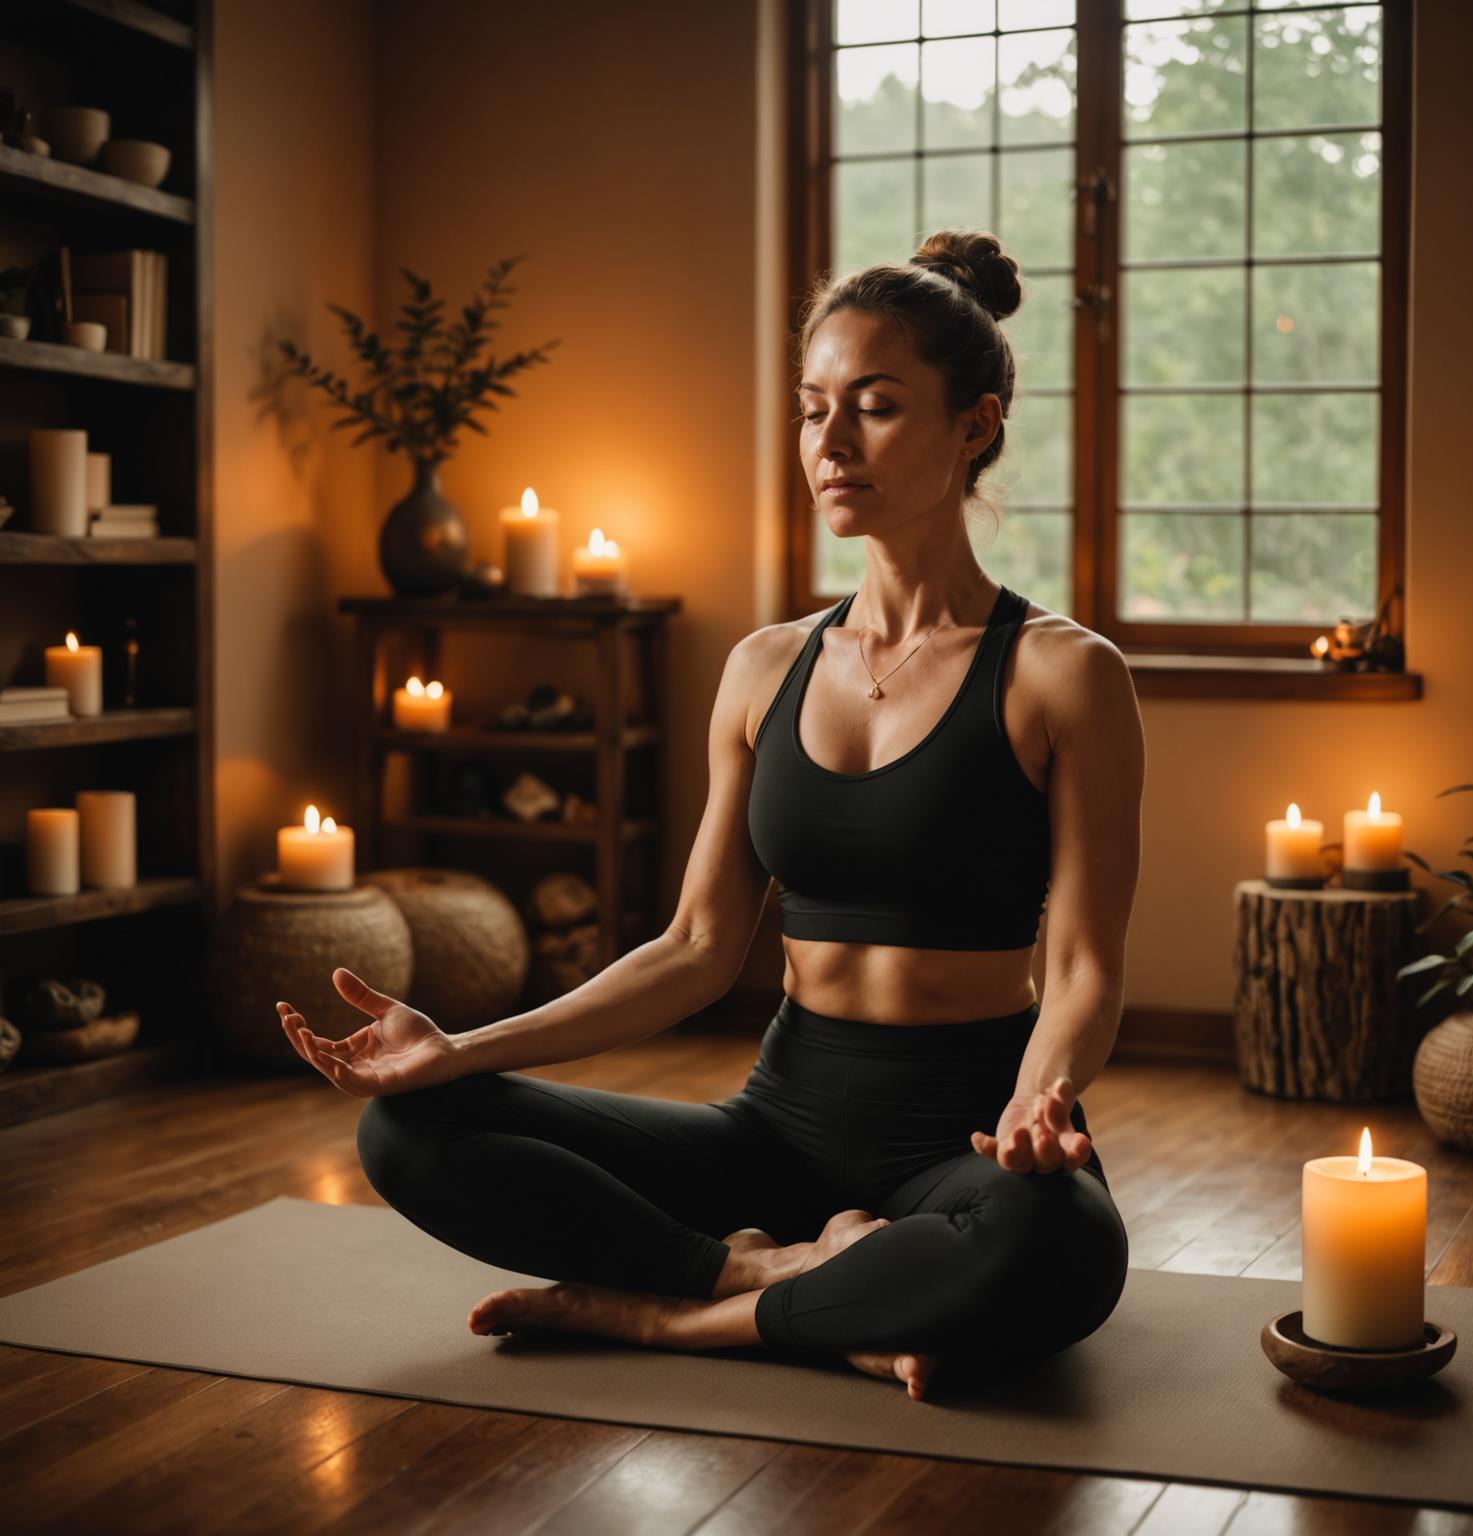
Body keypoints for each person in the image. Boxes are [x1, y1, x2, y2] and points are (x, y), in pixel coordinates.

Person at [276, 228, 1145, 1402]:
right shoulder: (763, 669)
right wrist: (456, 1050)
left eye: (876, 408)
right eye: (811, 409)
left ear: (976, 424)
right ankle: (770, 1273)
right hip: (777, 1131)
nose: (830, 444)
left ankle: (663, 1320)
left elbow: (1086, 965)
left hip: (966, 1139)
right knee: (408, 1130)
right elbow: (694, 949)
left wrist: (1037, 1108)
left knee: (1061, 1247)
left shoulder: (1062, 673)